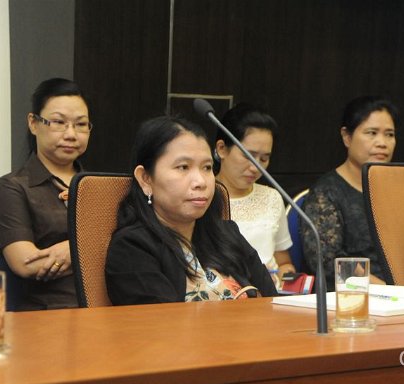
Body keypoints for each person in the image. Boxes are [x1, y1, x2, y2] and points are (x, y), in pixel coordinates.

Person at [105, 116, 276, 305]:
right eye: (183, 167)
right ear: (146, 179)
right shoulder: (132, 248)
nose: (201, 182)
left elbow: (273, 302)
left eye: (207, 167)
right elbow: (162, 321)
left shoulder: (227, 234)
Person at [0, 78, 92, 310]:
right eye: (59, 122)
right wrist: (91, 250)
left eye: (81, 124)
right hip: (49, 312)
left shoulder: (99, 186)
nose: (71, 134)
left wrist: (73, 250)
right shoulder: (13, 187)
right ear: (34, 123)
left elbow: (127, 252)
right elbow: (26, 263)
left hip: (109, 309)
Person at [300, 96, 398, 290]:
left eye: (389, 134)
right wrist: (390, 290)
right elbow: (329, 265)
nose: (382, 143)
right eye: (372, 133)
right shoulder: (325, 193)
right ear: (347, 137)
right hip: (353, 296)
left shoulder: (400, 189)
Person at [214, 104, 295, 289]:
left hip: (269, 295)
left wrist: (287, 277)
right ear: (222, 148)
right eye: (248, 156)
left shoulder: (272, 197)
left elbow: (283, 262)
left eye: (264, 159)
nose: (256, 167)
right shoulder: (201, 197)